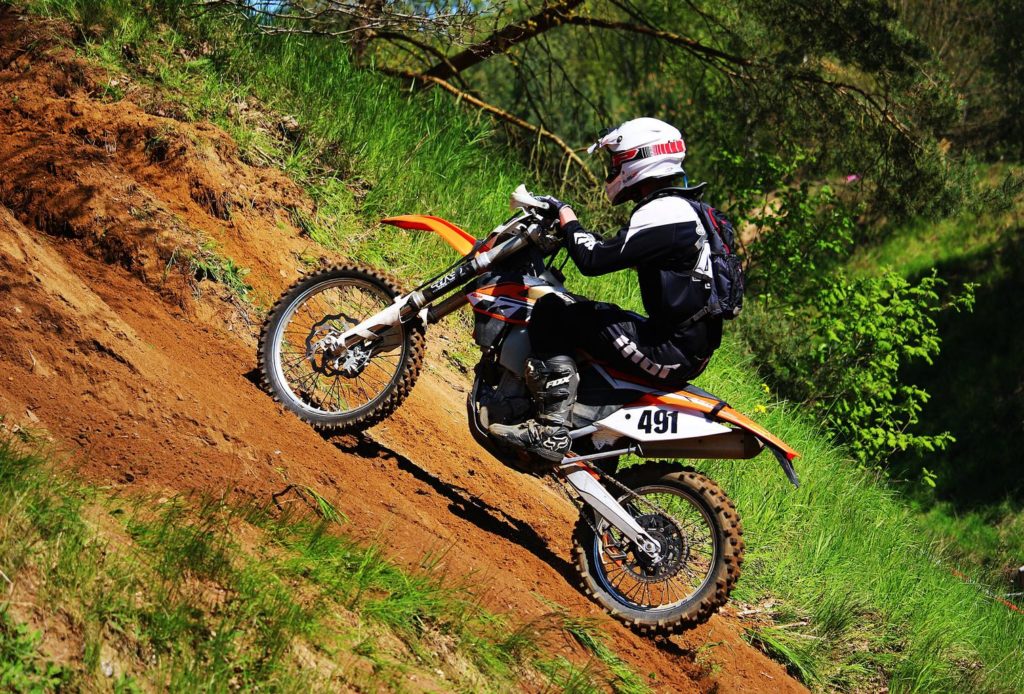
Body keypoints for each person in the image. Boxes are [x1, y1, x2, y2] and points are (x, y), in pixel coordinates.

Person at [489, 117, 724, 462]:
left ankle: (551, 430)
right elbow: (615, 251)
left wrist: (566, 214)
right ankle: (582, 422)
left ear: (640, 160)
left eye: (617, 162)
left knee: (552, 312)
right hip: (684, 348)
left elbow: (593, 260)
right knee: (581, 310)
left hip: (667, 350)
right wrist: (574, 232)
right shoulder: (690, 211)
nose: (613, 171)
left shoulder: (663, 212)